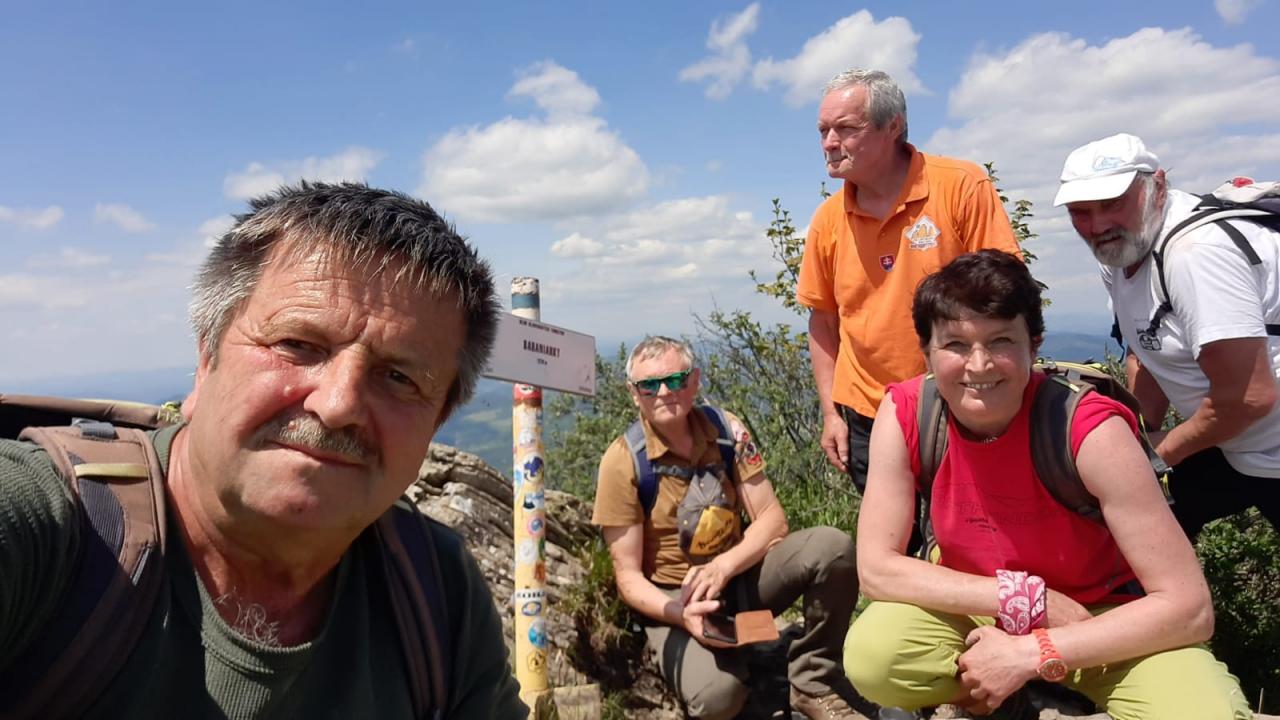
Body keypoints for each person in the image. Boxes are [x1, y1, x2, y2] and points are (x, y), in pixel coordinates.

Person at [0, 183, 527, 718]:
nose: (338, 405)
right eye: (296, 344)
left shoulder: (438, 590)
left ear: (437, 422)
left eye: (398, 377)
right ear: (206, 360)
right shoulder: (52, 526)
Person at [844, 250, 1250, 719]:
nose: (979, 364)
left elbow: (1190, 609)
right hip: (978, 612)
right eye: (955, 344)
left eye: (1001, 341)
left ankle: (1022, 678)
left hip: (1099, 619)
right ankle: (992, 699)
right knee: (877, 657)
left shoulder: (1089, 431)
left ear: (1033, 347)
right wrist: (1024, 599)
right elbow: (876, 570)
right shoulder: (909, 413)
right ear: (927, 352)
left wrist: (1032, 652)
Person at [592, 336, 861, 720]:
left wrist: (723, 567)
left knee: (830, 548)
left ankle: (813, 679)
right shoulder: (623, 462)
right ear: (634, 394)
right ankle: (720, 662)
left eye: (676, 379)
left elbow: (772, 519)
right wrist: (680, 613)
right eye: (649, 385)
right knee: (719, 699)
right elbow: (628, 577)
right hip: (677, 598)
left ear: (695, 380)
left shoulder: (725, 431)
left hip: (739, 578)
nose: (664, 392)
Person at [797, 67, 1021, 495]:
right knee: (889, 533)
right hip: (867, 413)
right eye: (823, 130)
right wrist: (830, 414)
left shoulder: (960, 187)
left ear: (893, 126)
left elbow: (1008, 296)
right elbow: (823, 321)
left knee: (968, 526)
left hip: (959, 403)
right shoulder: (827, 221)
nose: (829, 143)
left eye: (846, 129)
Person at [1055, 132, 1280, 537]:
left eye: (1113, 203)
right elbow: (1148, 350)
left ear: (1157, 186)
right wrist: (1134, 435)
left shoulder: (1196, 253)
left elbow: (1250, 397)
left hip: (1266, 446)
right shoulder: (1121, 255)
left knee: (1137, 520)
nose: (1098, 225)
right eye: (1080, 212)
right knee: (1131, 527)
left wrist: (1157, 452)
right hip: (1236, 443)